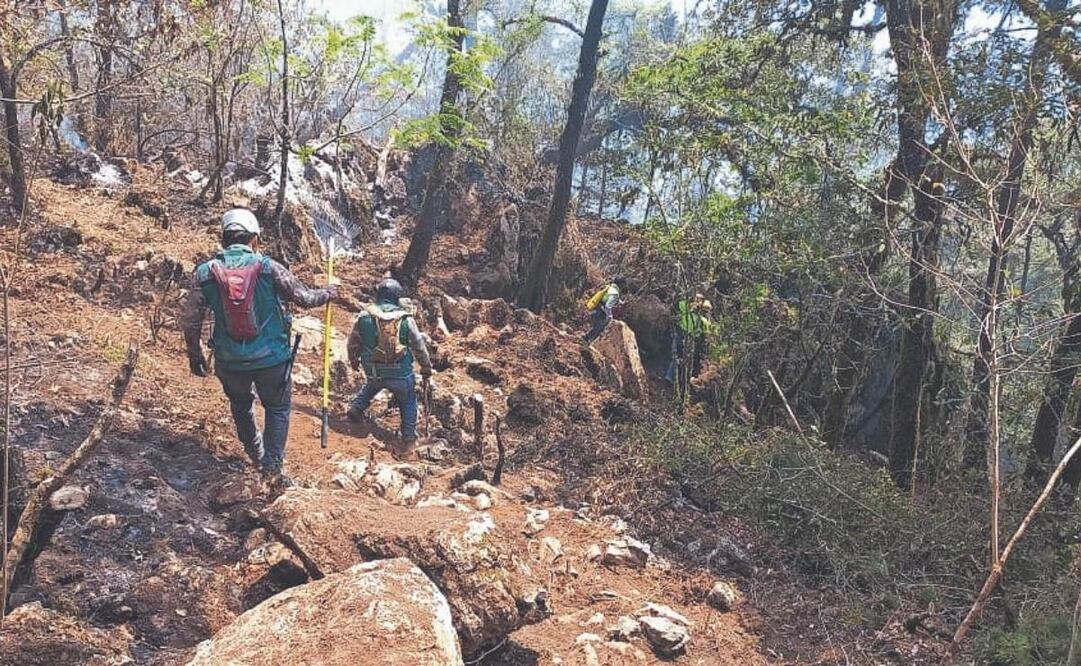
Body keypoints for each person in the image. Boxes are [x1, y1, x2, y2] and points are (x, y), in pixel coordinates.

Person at [180, 208, 339, 489]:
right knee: (277, 409)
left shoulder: (205, 273)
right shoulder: (268, 267)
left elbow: (190, 321)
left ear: (223, 238)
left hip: (229, 361)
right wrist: (329, 292)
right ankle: (272, 469)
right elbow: (304, 297)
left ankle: (256, 455)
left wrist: (196, 357)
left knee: (241, 406)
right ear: (254, 239)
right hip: (272, 360)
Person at [346, 278, 432, 456]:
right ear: (397, 298)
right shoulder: (406, 320)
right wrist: (426, 367)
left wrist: (353, 360)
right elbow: (419, 346)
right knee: (408, 400)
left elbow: (353, 342)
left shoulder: (364, 317)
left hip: (374, 371)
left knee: (372, 385)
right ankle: (409, 438)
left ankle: (356, 408)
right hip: (400, 374)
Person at [666, 292, 714, 397]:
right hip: (686, 338)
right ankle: (674, 380)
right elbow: (707, 332)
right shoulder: (694, 315)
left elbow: (681, 303)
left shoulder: (692, 314)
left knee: (680, 359)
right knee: (681, 359)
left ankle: (674, 379)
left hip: (685, 337)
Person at [583, 275, 627, 344]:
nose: (624, 286)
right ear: (621, 284)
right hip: (601, 312)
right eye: (624, 284)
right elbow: (608, 306)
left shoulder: (609, 287)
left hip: (596, 308)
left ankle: (585, 340)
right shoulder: (615, 292)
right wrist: (610, 316)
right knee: (598, 329)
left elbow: (608, 297)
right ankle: (585, 341)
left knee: (595, 327)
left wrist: (620, 301)